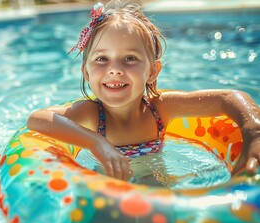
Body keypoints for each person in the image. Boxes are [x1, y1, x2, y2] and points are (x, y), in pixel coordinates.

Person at [27, 0, 260, 181]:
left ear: (152, 71)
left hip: (158, 190)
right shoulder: (92, 114)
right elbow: (38, 119)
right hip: (108, 194)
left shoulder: (159, 109)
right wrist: (95, 142)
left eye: (130, 58)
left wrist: (253, 131)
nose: (114, 69)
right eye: (102, 59)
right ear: (86, 73)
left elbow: (229, 98)